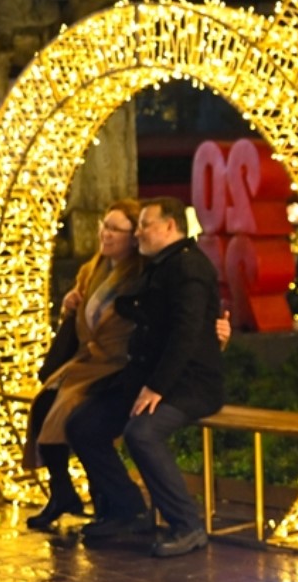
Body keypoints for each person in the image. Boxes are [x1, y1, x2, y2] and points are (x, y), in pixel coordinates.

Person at [66, 197, 225, 558]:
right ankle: (128, 509)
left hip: (188, 384)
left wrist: (157, 387)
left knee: (142, 433)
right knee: (83, 424)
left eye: (145, 225)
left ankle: (187, 525)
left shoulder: (188, 268)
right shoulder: (160, 265)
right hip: (148, 380)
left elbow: (185, 334)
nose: (138, 233)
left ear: (170, 226)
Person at [22, 201, 147, 531]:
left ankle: (104, 501)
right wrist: (69, 307)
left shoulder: (138, 276)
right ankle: (62, 491)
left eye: (114, 229)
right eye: (103, 226)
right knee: (44, 406)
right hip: (84, 361)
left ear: (133, 237)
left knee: (71, 420)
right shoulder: (92, 270)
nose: (105, 234)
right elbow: (82, 319)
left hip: (112, 366)